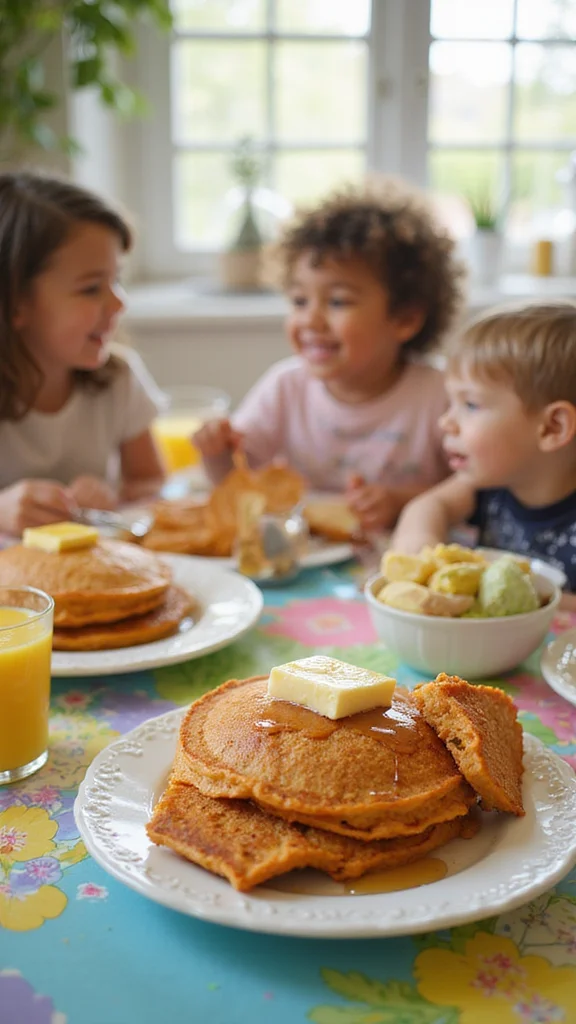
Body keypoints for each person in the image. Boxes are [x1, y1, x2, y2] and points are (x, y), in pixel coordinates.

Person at [194, 177, 466, 532]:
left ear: (405, 319)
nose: (311, 319)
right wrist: (216, 454)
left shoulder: (441, 394)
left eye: (338, 301)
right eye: (299, 301)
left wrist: (402, 502)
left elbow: (478, 489)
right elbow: (238, 486)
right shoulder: (285, 387)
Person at [0, 170, 166, 535]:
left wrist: (116, 497)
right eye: (91, 288)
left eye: (116, 280)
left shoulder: (119, 378)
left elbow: (151, 481)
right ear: (15, 304)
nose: (119, 302)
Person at [391, 303, 576, 607]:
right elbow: (427, 507)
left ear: (552, 427)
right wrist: (422, 556)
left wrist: (531, 597)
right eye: (451, 403)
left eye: (471, 405)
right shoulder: (489, 484)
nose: (446, 422)